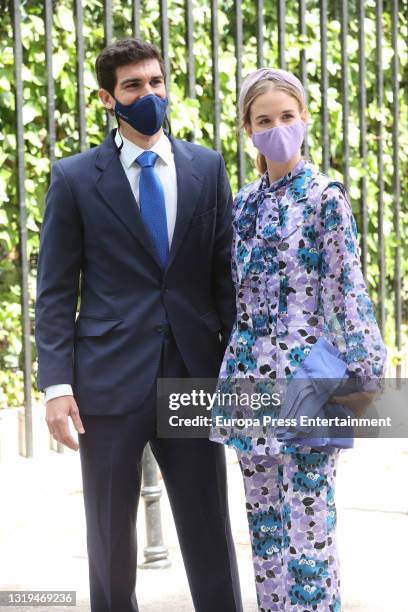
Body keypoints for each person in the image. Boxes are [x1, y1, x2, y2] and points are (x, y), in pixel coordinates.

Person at [35, 38, 243, 612]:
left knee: (208, 527)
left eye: (155, 82)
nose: (148, 94)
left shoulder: (206, 167)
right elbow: (54, 290)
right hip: (106, 380)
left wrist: (237, 370)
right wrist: (56, 386)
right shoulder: (75, 179)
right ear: (108, 98)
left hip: (193, 373)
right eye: (133, 86)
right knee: (109, 533)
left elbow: (224, 278)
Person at [210, 67, 387, 611]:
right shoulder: (242, 205)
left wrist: (366, 372)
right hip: (247, 381)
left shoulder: (326, 198)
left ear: (305, 119)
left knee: (308, 538)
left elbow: (347, 292)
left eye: (287, 116)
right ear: (248, 129)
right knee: (264, 533)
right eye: (264, 120)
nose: (277, 127)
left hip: (308, 380)